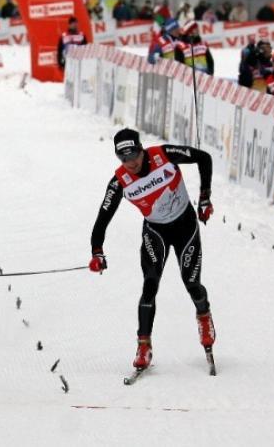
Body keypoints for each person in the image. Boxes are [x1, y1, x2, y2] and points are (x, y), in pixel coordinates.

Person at [89, 129, 216, 373]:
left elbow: (204, 157)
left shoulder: (163, 155)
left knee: (191, 282)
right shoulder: (119, 182)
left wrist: (205, 198)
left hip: (185, 226)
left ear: (141, 149)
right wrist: (97, 251)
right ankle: (143, 346)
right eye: (123, 159)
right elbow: (102, 218)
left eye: (134, 155)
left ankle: (204, 316)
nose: (131, 163)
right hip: (155, 231)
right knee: (150, 284)